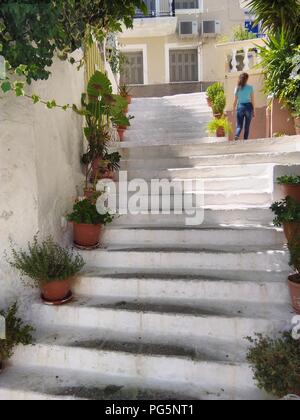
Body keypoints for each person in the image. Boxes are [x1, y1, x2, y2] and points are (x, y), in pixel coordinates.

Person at [233, 72, 255, 140]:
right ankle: (245, 140)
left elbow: (235, 100)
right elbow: (253, 100)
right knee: (247, 126)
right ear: (247, 79)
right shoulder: (250, 88)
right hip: (249, 107)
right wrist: (254, 110)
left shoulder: (237, 88)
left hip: (240, 107)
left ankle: (237, 135)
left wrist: (233, 109)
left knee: (239, 126)